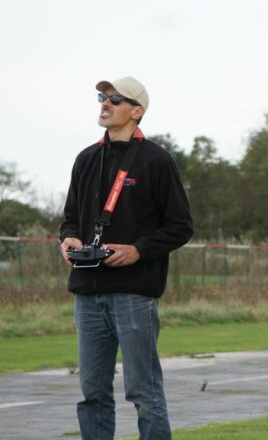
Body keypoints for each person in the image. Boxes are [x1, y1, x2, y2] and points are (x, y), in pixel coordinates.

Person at [59, 76, 194, 440]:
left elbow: (181, 226)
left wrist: (139, 250)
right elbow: (70, 217)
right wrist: (68, 237)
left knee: (143, 392)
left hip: (134, 295)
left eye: (115, 99)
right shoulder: (85, 159)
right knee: (93, 394)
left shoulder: (157, 161)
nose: (105, 103)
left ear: (137, 111)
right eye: (103, 97)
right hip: (87, 293)